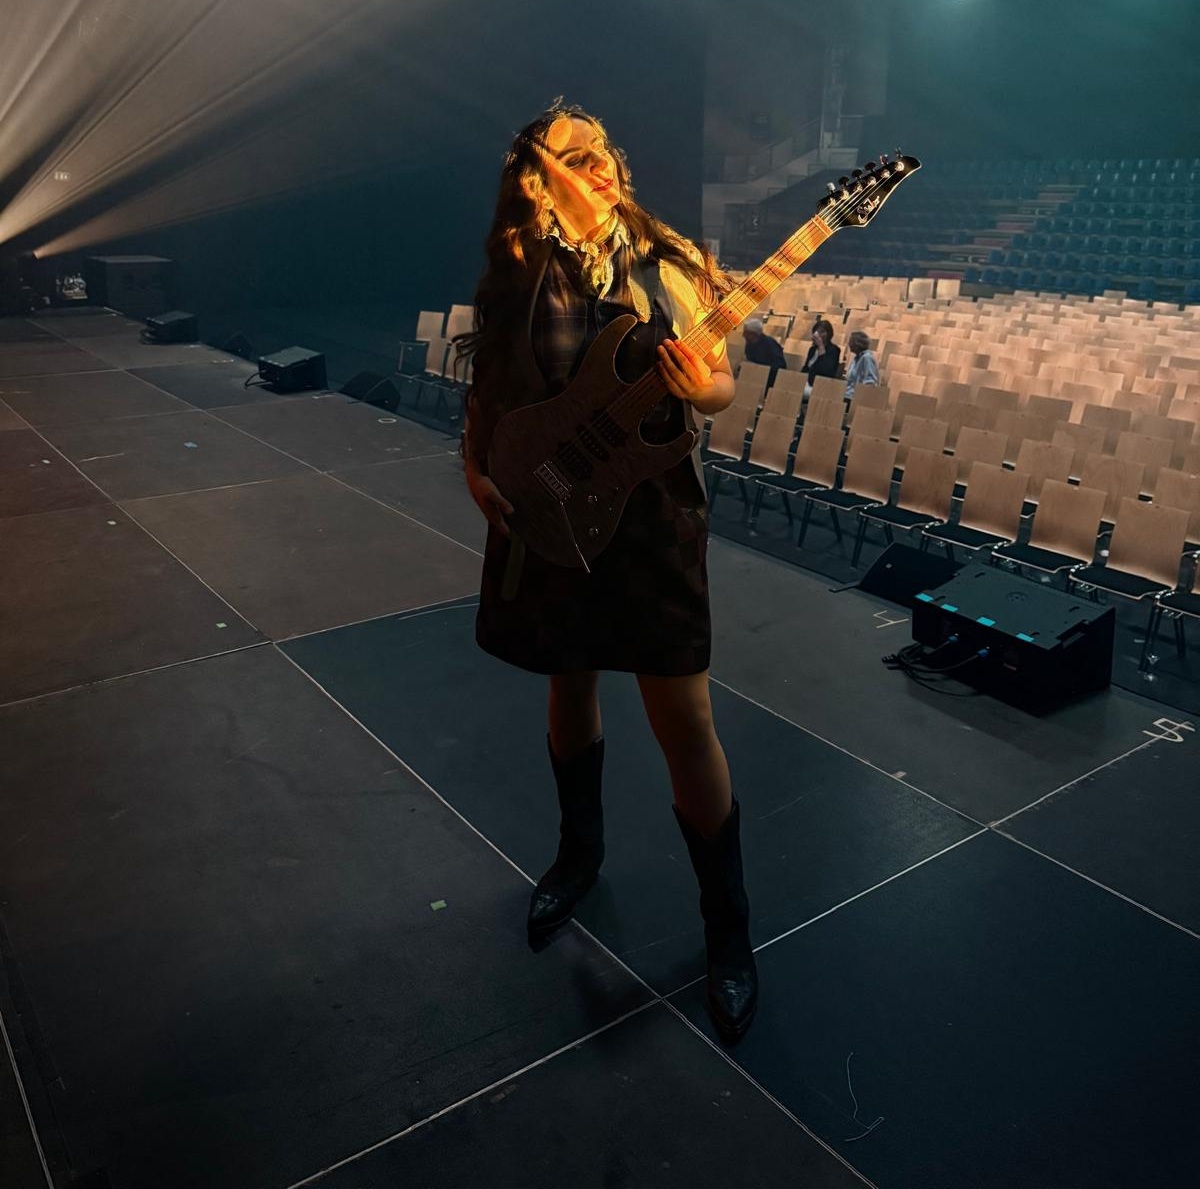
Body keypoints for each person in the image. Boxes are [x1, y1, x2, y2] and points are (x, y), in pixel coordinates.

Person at [457, 101, 757, 1041]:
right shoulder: (518, 274)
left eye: (606, 152)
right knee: (569, 684)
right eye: (577, 153)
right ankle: (578, 857)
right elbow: (489, 390)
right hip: (552, 507)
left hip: (654, 519)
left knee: (686, 720)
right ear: (536, 177)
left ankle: (728, 929)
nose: (602, 164)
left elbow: (721, 383)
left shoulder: (667, 264)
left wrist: (701, 388)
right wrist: (474, 470)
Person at [802, 318, 841, 391]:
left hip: (821, 386)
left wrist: (821, 345)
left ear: (829, 334)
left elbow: (826, 370)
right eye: (816, 331)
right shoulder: (812, 349)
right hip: (806, 383)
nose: (818, 334)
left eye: (822, 332)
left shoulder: (834, 350)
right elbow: (805, 368)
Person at [843, 330, 880, 399]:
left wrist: (859, 397)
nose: (849, 344)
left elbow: (870, 381)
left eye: (850, 341)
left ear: (857, 344)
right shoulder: (856, 358)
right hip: (848, 394)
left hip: (855, 397)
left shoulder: (867, 358)